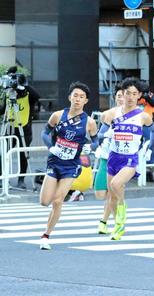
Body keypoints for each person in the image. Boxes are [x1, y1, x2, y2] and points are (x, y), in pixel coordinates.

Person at [39, 82, 98, 250]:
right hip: (54, 161)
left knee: (58, 201)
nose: (77, 99)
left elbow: (95, 141)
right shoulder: (58, 115)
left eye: (81, 97)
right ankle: (46, 229)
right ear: (69, 97)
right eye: (75, 96)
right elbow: (44, 132)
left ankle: (46, 235)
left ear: (86, 101)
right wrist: (52, 147)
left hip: (71, 166)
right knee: (45, 201)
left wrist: (90, 147)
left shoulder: (90, 122)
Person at [99, 77, 153, 240]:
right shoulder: (111, 114)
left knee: (116, 184)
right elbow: (101, 132)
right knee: (112, 194)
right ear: (122, 94)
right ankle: (118, 225)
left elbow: (151, 134)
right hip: (113, 157)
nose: (130, 97)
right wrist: (104, 136)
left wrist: (147, 148)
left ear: (139, 96)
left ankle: (122, 216)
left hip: (130, 159)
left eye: (134, 94)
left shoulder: (144, 117)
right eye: (127, 93)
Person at [1, 66, 40, 189]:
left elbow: (37, 95)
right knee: (3, 153)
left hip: (24, 129)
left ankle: (21, 180)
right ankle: (2, 178)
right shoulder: (9, 94)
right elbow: (3, 109)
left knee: (23, 154)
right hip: (9, 128)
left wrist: (22, 84)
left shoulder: (29, 95)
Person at [94, 85, 124, 235]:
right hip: (105, 157)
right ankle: (110, 220)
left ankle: (109, 223)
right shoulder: (108, 114)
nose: (121, 98)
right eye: (118, 95)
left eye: (123, 95)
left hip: (120, 159)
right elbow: (100, 134)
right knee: (100, 193)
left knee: (112, 193)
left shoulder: (134, 116)